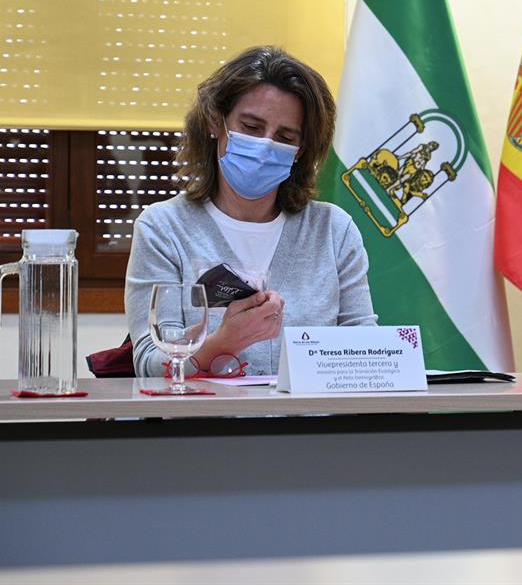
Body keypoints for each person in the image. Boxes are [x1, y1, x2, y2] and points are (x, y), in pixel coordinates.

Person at [126, 45, 377, 377]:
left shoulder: (333, 229)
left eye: (285, 136)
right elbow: (151, 365)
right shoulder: (164, 228)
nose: (265, 145)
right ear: (217, 122)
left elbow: (367, 350)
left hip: (316, 426)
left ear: (301, 151)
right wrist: (223, 342)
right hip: (204, 426)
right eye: (251, 127)